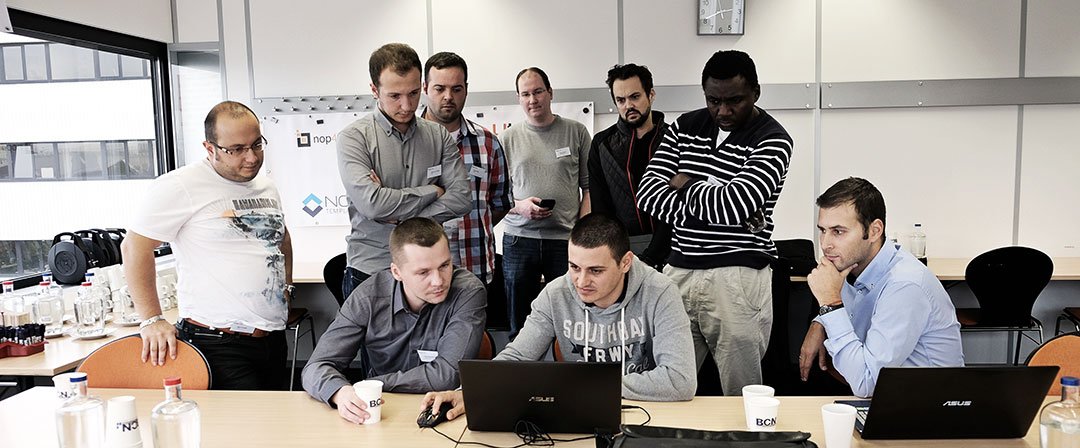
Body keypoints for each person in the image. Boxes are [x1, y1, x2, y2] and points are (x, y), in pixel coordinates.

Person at [421, 214, 697, 420]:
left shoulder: (660, 292)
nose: (581, 281)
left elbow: (679, 380)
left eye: (596, 271)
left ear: (625, 262)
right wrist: (470, 392)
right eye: (574, 267)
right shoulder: (556, 294)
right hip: (580, 413)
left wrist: (581, 386)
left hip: (649, 413)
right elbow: (518, 356)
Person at [636, 50, 794, 395]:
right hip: (678, 270)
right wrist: (718, 202)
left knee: (742, 392)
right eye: (713, 101)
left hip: (737, 277)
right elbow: (647, 195)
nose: (723, 111)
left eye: (734, 101)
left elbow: (735, 205)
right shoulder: (685, 126)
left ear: (755, 92)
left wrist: (685, 183)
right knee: (665, 385)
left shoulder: (773, 139)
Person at [121, 100, 292, 390]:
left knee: (276, 417)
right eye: (237, 149)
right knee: (246, 420)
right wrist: (151, 319)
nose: (251, 157)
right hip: (218, 344)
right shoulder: (181, 185)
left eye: (256, 145)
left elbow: (282, 238)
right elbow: (134, 247)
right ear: (210, 148)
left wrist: (287, 287)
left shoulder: (266, 186)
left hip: (271, 339)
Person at [302, 217, 486, 424]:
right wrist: (340, 392)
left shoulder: (467, 292)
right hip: (383, 409)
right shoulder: (367, 298)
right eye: (423, 272)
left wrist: (373, 383)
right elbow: (316, 366)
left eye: (444, 265)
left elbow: (448, 375)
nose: (438, 281)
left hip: (442, 411)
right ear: (397, 272)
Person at [798, 177, 964, 397]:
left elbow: (867, 383)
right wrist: (819, 322)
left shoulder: (904, 285)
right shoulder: (849, 264)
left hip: (930, 405)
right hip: (892, 398)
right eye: (822, 230)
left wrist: (829, 304)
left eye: (838, 231)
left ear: (875, 231)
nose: (825, 244)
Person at [337, 43, 470, 300]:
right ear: (374, 90)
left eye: (413, 93)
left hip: (428, 272)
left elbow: (461, 198)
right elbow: (373, 204)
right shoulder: (353, 138)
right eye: (395, 96)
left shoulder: (438, 135)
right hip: (372, 269)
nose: (407, 105)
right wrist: (432, 191)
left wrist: (400, 216)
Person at [500, 66, 592, 336]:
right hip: (519, 241)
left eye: (538, 91)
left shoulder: (576, 132)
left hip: (564, 240)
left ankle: (568, 362)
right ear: (518, 98)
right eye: (525, 94)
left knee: (571, 320)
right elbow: (495, 195)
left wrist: (582, 233)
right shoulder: (506, 139)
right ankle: (522, 364)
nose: (533, 100)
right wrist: (519, 207)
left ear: (550, 92)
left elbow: (589, 188)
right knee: (520, 324)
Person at [420, 51, 511, 286]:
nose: (448, 97)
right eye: (439, 89)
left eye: (456, 89)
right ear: (425, 88)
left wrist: (473, 225)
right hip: (422, 273)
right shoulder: (407, 144)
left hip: (475, 266)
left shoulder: (488, 142)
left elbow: (500, 203)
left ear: (466, 90)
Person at [588, 63, 672, 270]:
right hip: (624, 251)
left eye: (635, 97)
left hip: (674, 248)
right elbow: (601, 208)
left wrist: (653, 256)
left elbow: (681, 204)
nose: (628, 106)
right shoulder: (602, 144)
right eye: (621, 100)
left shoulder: (674, 140)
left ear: (651, 95)